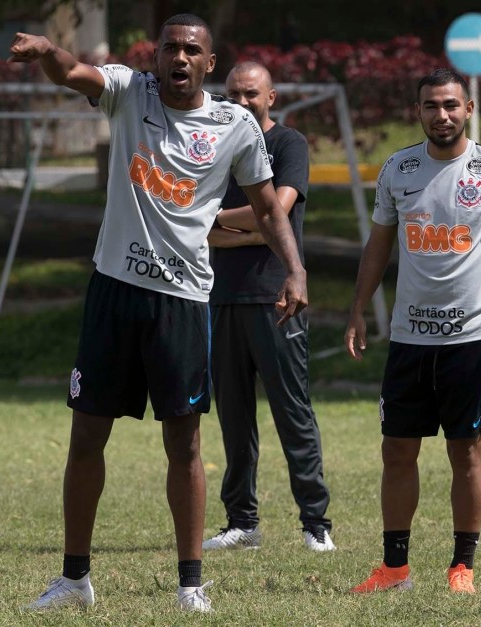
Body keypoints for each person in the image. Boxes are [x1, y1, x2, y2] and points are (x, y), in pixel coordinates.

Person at [7, 13, 308, 613]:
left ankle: (190, 584)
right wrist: (46, 50)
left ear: (208, 64)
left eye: (191, 50)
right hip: (114, 291)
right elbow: (72, 71)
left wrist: (295, 270)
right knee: (87, 433)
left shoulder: (235, 126)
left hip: (183, 300)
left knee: (185, 444)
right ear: (158, 54)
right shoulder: (128, 92)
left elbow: (271, 211)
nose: (179, 57)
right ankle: (74, 581)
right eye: (170, 46)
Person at [344, 68, 481, 595]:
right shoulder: (398, 169)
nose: (442, 115)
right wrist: (359, 309)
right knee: (397, 451)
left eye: (451, 105)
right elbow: (379, 244)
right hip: (409, 338)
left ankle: (463, 566)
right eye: (432, 105)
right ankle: (394, 569)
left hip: (470, 339)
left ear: (469, 108)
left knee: (466, 452)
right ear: (419, 111)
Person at [202, 62, 335, 553]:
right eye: (232, 93)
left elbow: (274, 210)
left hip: (277, 296)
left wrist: (221, 220)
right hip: (222, 297)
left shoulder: (288, 145)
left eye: (250, 94)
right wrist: (251, 224)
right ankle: (242, 522)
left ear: (271, 97)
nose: (240, 102)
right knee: (233, 419)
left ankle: (316, 524)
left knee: (291, 412)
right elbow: (206, 231)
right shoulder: (217, 148)